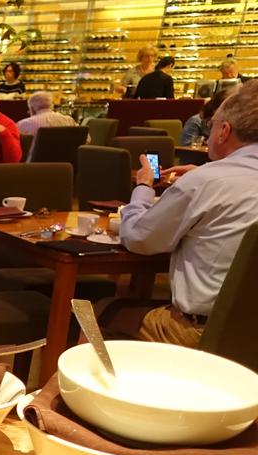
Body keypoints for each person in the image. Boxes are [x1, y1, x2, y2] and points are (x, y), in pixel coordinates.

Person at [102, 81, 258, 346]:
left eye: (212, 126)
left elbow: (140, 238)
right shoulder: (206, 179)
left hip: (208, 334)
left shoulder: (206, 182)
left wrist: (143, 186)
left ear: (224, 131)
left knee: (98, 313)